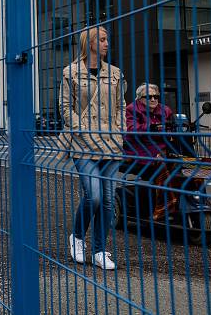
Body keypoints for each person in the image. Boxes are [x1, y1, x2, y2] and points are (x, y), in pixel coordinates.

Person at [60, 26, 126, 271]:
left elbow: (121, 106)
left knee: (108, 201)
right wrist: (84, 132)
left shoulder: (116, 73)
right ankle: (77, 237)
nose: (107, 43)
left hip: (111, 145)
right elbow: (65, 108)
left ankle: (99, 250)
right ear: (89, 43)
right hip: (83, 144)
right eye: (102, 39)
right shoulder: (71, 72)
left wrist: (119, 132)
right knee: (94, 195)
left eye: (107, 38)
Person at [124, 83, 176, 220]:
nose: (153, 99)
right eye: (149, 97)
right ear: (140, 98)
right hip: (140, 149)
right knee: (161, 162)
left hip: (163, 148)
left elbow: (173, 127)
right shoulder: (132, 109)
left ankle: (196, 199)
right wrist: (153, 127)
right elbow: (132, 129)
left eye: (156, 96)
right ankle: (163, 206)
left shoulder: (165, 110)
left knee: (196, 163)